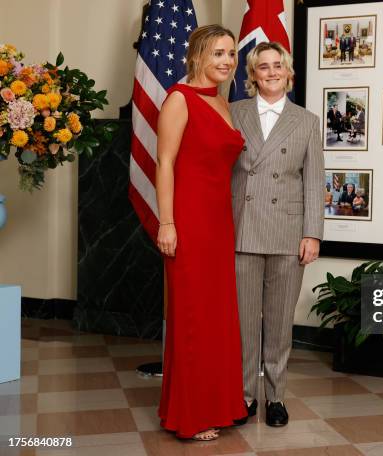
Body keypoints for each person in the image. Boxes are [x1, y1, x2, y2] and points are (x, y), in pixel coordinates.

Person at [155, 24, 246, 441]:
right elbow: (165, 164)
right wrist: (167, 222)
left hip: (219, 221)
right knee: (192, 316)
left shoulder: (223, 102)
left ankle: (220, 404)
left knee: (216, 316)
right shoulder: (179, 98)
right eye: (218, 54)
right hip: (188, 221)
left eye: (230, 54)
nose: (227, 62)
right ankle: (190, 414)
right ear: (197, 56)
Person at [230, 41, 325, 427]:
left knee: (280, 321)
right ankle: (244, 395)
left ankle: (276, 398)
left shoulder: (307, 120)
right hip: (242, 227)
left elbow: (315, 181)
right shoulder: (233, 112)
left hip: (288, 231)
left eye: (277, 66)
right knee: (245, 322)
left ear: (289, 73)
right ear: (251, 75)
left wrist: (312, 233)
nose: (271, 72)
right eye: (262, 67)